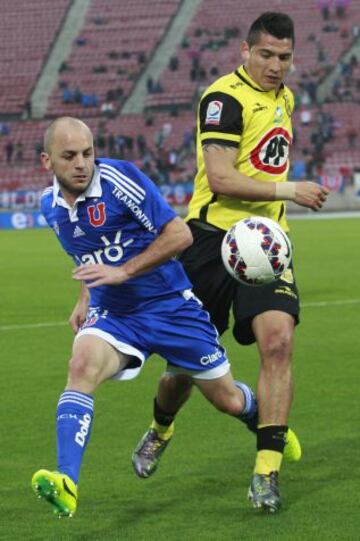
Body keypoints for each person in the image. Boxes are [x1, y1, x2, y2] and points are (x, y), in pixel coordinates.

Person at [132, 12, 328, 513]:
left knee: (279, 342)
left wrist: (279, 207)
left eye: (284, 57)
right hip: (211, 242)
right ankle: (161, 427)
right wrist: (289, 189)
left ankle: (266, 472)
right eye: (265, 55)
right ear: (245, 51)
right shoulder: (224, 98)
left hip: (266, 245)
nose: (275, 65)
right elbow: (218, 177)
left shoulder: (284, 98)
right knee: (184, 367)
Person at [31, 116, 265, 518]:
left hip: (171, 307)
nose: (82, 163)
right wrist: (85, 295)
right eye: (69, 156)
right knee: (81, 365)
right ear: (46, 162)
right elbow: (89, 251)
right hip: (114, 313)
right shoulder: (49, 206)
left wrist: (123, 272)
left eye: (88, 153)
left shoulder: (120, 180)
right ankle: (66, 481)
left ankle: (265, 422)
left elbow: (180, 235)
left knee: (227, 400)